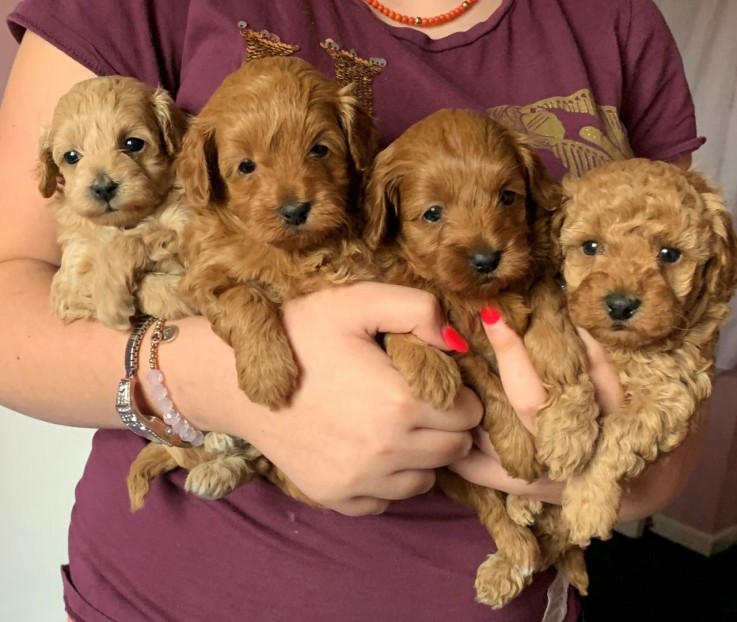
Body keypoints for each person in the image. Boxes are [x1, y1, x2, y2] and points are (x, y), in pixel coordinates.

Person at [0, 0, 707, 620]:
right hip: (171, 597)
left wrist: (621, 462)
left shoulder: (618, 17)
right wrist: (215, 383)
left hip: (505, 588)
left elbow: (687, 299)